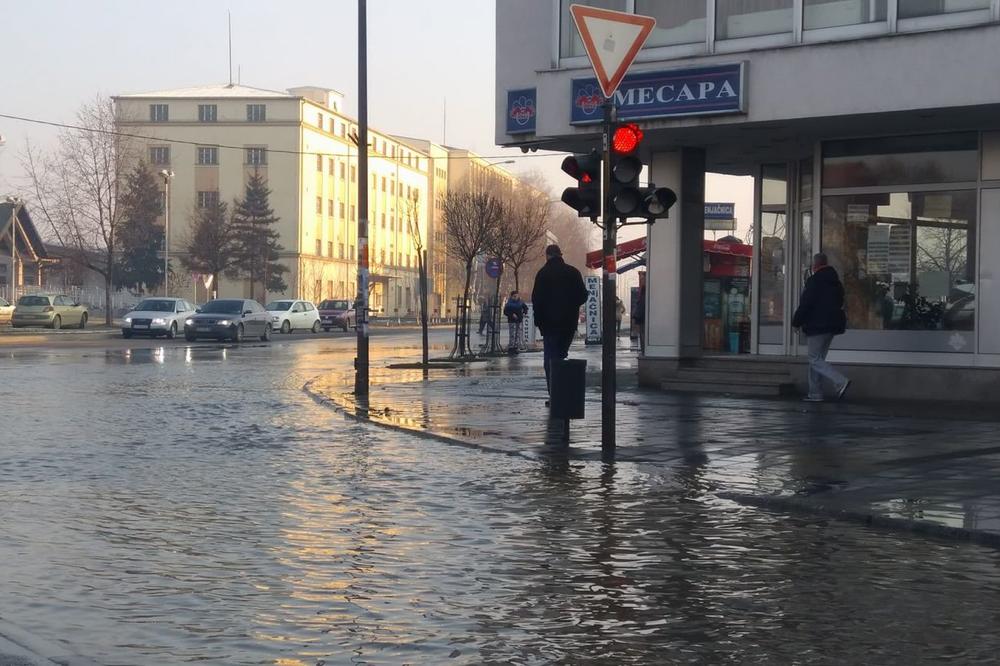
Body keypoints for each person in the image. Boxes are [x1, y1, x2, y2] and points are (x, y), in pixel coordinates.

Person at [531, 244, 589, 399]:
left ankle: (555, 394)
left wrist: (538, 321)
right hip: (568, 323)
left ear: (547, 255)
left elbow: (536, 300)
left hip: (549, 325)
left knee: (550, 358)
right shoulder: (573, 272)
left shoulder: (543, 274)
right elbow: (583, 295)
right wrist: (571, 305)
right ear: (560, 255)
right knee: (561, 355)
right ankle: (562, 392)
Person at [792, 252, 851, 402]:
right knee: (818, 359)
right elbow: (839, 302)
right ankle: (815, 393)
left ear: (815, 265)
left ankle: (840, 381)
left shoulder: (814, 281)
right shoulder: (836, 282)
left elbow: (806, 304)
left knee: (814, 359)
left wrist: (796, 322)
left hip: (816, 326)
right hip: (832, 326)